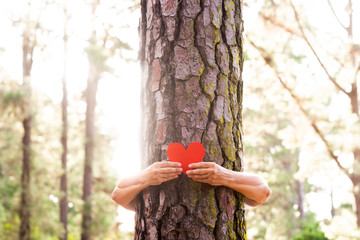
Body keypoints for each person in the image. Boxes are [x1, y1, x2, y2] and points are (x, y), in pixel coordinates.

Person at [111, 161, 271, 211]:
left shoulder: (236, 183)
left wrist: (224, 176)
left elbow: (263, 191)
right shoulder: (144, 189)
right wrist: (145, 177)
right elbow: (118, 194)